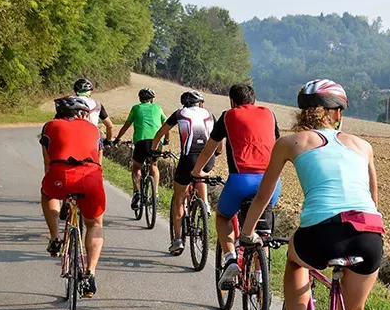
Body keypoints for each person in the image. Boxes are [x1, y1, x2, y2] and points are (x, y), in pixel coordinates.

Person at [239, 79, 385, 310]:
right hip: (368, 233)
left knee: (296, 263)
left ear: (302, 112)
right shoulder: (363, 146)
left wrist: (246, 234)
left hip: (322, 232)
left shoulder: (289, 143)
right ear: (337, 114)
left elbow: (263, 198)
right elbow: (373, 199)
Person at [191, 83, 280, 288]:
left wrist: (197, 171)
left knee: (223, 216)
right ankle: (259, 275)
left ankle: (231, 258)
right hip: (271, 182)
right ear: (254, 100)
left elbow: (208, 150)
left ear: (232, 101)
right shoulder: (270, 114)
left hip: (241, 180)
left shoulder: (228, 115)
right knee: (261, 230)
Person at [40, 97, 107, 297]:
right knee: (95, 224)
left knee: (47, 194)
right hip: (90, 177)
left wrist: (54, 182)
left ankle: (54, 238)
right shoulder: (94, 130)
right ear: (82, 114)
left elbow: (47, 161)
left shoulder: (50, 126)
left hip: (59, 175)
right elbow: (99, 162)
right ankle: (90, 274)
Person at [152, 90, 218, 255]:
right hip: (208, 159)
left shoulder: (179, 113)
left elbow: (160, 132)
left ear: (184, 104)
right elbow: (220, 144)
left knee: (179, 200)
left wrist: (154, 150)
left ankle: (178, 240)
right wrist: (216, 154)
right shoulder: (210, 114)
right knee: (200, 173)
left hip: (188, 159)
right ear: (200, 103)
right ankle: (205, 204)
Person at [113, 88, 168, 210]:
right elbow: (166, 123)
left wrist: (118, 138)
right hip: (156, 141)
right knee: (154, 165)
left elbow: (126, 125)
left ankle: (137, 192)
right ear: (152, 99)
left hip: (141, 142)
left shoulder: (136, 108)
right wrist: (167, 139)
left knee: (136, 167)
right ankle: (156, 194)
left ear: (140, 99)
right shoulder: (158, 108)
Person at [72, 78, 114, 146]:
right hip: (91, 140)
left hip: (72, 138)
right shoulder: (97, 105)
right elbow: (110, 126)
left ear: (75, 90)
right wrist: (108, 140)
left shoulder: (67, 103)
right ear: (90, 91)